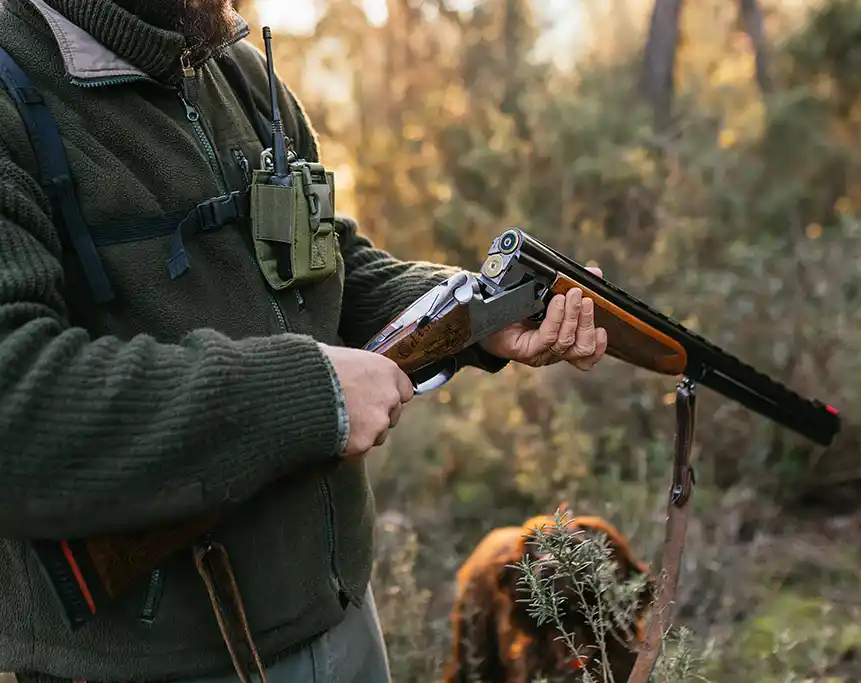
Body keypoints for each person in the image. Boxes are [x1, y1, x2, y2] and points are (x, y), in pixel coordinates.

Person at [0, 1, 609, 682]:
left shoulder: (233, 66)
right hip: (153, 662)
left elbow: (329, 267)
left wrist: (482, 312)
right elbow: (15, 405)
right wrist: (308, 393)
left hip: (342, 618)